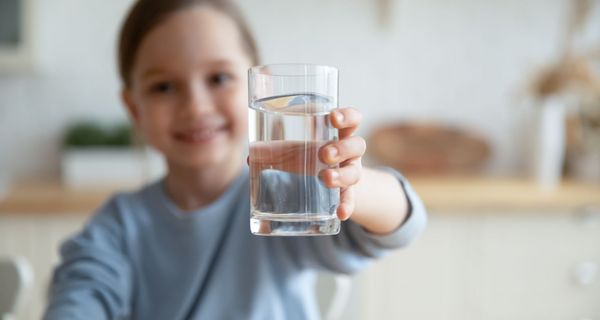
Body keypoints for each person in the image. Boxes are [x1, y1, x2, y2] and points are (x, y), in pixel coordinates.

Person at [43, 0, 427, 319]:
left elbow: (400, 223)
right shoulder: (118, 227)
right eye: (163, 87)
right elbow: (79, 294)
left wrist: (352, 184)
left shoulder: (286, 200)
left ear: (253, 84)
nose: (195, 107)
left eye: (219, 78)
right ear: (134, 108)